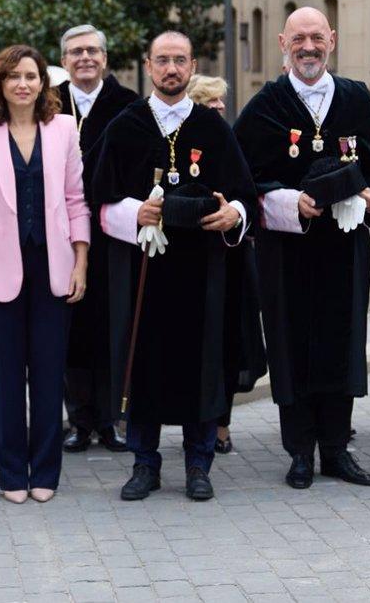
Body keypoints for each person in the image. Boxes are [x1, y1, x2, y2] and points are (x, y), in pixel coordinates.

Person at [233, 6, 370, 489]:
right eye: (299, 39)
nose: (309, 47)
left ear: (333, 40)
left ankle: (336, 450)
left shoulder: (356, 99)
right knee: (290, 344)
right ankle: (300, 452)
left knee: (340, 343)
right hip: (287, 252)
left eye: (317, 38)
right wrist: (290, 203)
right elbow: (245, 179)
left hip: (344, 249)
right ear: (283, 43)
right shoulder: (266, 106)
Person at [90, 31, 259, 502]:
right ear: (148, 65)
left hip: (203, 276)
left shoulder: (212, 127)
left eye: (179, 61)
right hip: (143, 274)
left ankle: (199, 463)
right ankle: (145, 463)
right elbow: (97, 201)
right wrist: (133, 213)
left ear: (192, 65)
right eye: (162, 60)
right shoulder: (125, 126)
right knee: (143, 366)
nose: (171, 69)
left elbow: (247, 196)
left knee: (201, 367)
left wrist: (235, 215)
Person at [0, 45, 90, 503]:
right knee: (6, 379)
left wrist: (81, 262)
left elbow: (76, 201)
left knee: (50, 376)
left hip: (52, 267)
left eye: (30, 75)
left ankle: (46, 472)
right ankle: (12, 472)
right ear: (0, 84)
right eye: (13, 76)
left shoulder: (64, 130)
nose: (22, 84)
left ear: (42, 83)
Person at [55, 24, 138, 454]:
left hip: (113, 234)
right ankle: (79, 419)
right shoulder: (49, 105)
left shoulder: (128, 105)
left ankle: (114, 418)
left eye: (92, 51)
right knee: (73, 327)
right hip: (62, 234)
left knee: (113, 324)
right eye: (75, 52)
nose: (84, 57)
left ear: (105, 59)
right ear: (65, 60)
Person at [188, 74, 266, 456]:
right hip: (191, 260)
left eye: (220, 100)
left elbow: (249, 191)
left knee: (231, 345)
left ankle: (222, 427)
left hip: (233, 256)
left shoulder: (231, 138)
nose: (218, 107)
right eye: (207, 100)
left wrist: (236, 210)